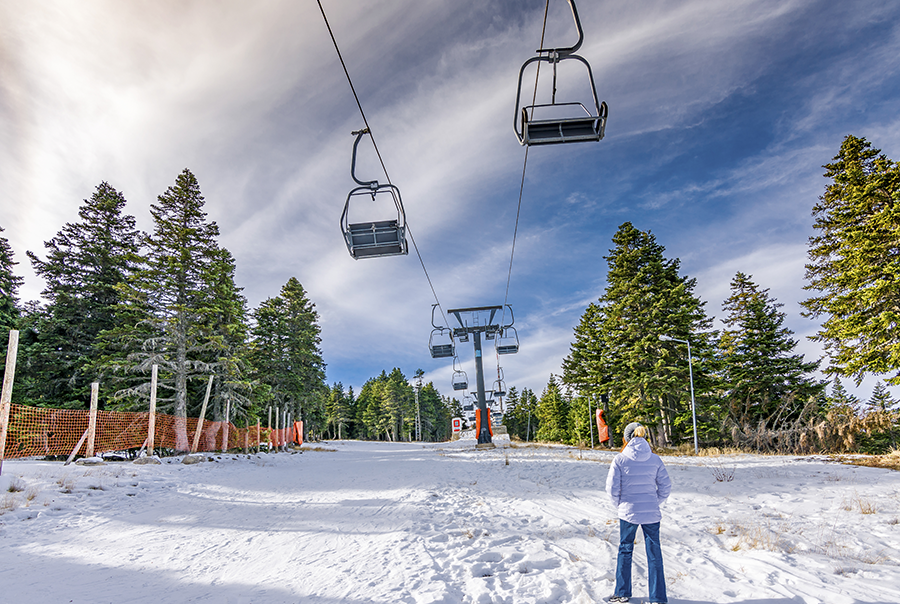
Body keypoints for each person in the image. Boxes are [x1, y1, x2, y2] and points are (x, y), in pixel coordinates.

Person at [605, 422, 671, 604]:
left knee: (625, 549)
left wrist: (620, 506)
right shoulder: (655, 459)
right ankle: (657, 598)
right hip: (651, 513)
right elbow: (666, 487)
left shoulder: (620, 459)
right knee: (654, 553)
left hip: (628, 512)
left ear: (626, 438)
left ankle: (622, 593)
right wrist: (653, 501)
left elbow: (611, 489)